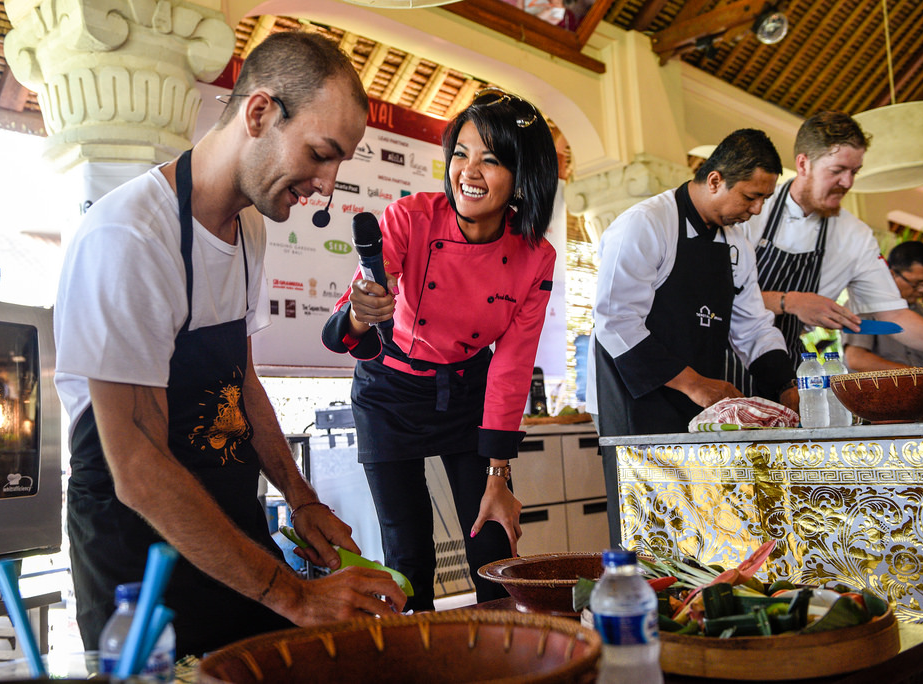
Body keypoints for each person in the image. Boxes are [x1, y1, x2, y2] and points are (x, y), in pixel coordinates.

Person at [54, 32, 405, 659]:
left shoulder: (249, 229)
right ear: (260, 113)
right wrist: (294, 597)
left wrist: (300, 499)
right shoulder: (130, 237)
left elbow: (239, 385)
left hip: (231, 535)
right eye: (321, 155)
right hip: (140, 560)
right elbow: (136, 468)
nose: (326, 185)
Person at [321, 88, 559, 611]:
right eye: (461, 154)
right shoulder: (412, 217)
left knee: (493, 546)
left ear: (524, 176)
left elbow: (512, 365)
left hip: (467, 391)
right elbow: (346, 323)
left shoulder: (534, 256)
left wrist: (499, 474)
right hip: (389, 390)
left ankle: (505, 659)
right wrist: (364, 309)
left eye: (491, 160)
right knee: (408, 555)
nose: (468, 172)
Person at [587, 130, 799, 540]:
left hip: (696, 399)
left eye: (763, 200)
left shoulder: (737, 241)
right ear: (715, 180)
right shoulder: (644, 224)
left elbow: (753, 325)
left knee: (701, 527)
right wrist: (696, 384)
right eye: (750, 197)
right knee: (648, 526)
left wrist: (787, 386)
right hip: (637, 396)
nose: (755, 210)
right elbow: (615, 321)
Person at [723, 111, 923, 394]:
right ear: (803, 164)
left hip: (786, 374)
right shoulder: (750, 209)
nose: (848, 183)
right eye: (837, 171)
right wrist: (791, 302)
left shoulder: (854, 235)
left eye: (854, 172)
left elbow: (895, 317)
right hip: (720, 364)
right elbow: (712, 296)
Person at [843, 241, 923, 370]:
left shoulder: (921, 312)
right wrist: (915, 375)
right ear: (892, 274)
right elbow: (856, 359)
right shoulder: (864, 306)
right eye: (917, 283)